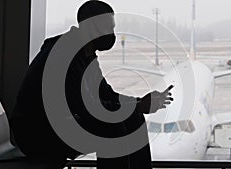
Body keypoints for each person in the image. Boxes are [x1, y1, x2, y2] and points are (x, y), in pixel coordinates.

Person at [11, 1, 173, 169]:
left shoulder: (84, 53)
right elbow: (87, 108)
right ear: (93, 26)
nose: (112, 34)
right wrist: (137, 106)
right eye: (109, 28)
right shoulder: (63, 55)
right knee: (113, 128)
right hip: (36, 137)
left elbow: (107, 95)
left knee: (133, 118)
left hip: (57, 126)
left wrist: (139, 103)